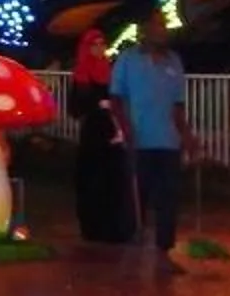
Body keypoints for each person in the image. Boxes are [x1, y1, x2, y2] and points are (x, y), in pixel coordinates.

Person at [108, 21, 196, 272]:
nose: (163, 32)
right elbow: (116, 98)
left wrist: (187, 135)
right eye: (158, 28)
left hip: (168, 141)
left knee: (168, 198)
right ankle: (131, 249)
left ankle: (163, 251)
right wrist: (126, 129)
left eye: (165, 28)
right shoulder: (127, 60)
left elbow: (178, 105)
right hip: (140, 139)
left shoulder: (174, 62)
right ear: (145, 32)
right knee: (137, 196)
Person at [70, 21, 136, 243]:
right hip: (93, 134)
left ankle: (116, 228)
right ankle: (93, 228)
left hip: (113, 132)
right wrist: (96, 104)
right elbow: (75, 109)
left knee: (115, 181)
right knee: (93, 182)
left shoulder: (111, 71)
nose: (99, 49)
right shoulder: (81, 75)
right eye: (94, 45)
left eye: (101, 44)